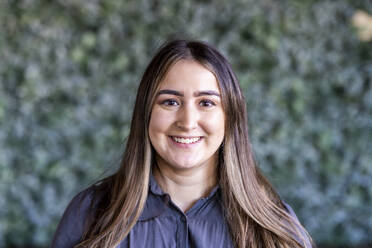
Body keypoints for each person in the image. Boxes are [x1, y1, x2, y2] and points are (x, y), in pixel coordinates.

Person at [51, 39, 314, 248]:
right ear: (146, 113)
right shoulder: (91, 214)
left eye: (206, 103)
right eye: (170, 102)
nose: (187, 121)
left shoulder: (274, 230)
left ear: (230, 116)